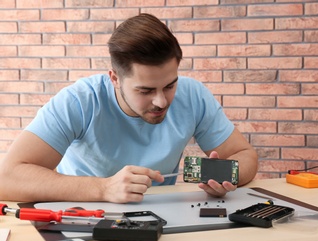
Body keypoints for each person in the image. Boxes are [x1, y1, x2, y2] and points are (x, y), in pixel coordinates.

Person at [0, 13, 258, 203]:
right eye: (145, 91)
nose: (162, 101)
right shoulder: (78, 101)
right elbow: (8, 177)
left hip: (165, 215)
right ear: (115, 78)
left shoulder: (193, 95)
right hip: (86, 216)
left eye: (170, 85)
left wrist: (226, 177)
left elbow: (244, 154)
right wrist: (103, 189)